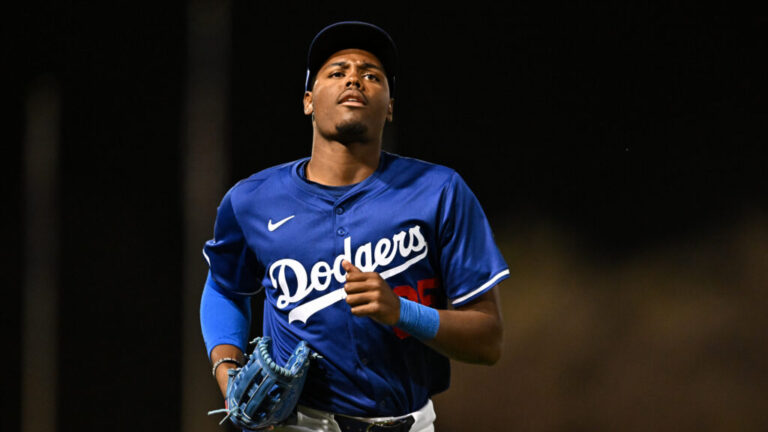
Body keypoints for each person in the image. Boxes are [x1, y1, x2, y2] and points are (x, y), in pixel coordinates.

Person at [200, 21, 509, 432]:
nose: (354, 79)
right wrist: (227, 370)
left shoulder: (439, 192)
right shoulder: (252, 200)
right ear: (308, 101)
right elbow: (224, 286)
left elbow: (488, 340)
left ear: (391, 105)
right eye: (337, 71)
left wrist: (402, 312)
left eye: (371, 75)